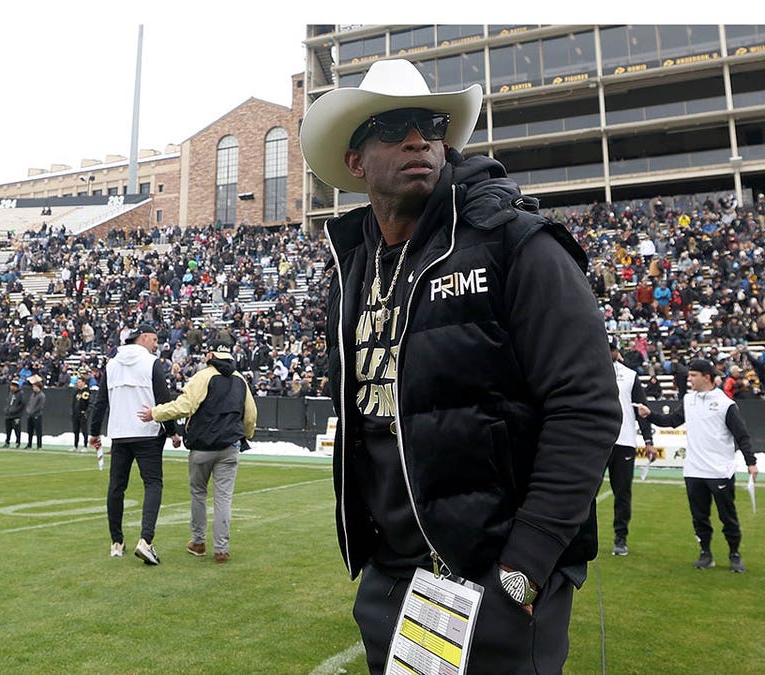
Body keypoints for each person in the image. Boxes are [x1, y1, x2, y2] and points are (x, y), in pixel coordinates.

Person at [298, 58, 620, 672]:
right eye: (394, 126)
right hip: (394, 576)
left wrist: (524, 568)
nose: (419, 138)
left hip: (498, 578)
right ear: (356, 159)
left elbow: (587, 406)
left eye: (431, 123)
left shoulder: (516, 242)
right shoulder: (353, 266)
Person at [137, 338, 257, 564]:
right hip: (229, 447)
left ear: (210, 356)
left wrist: (155, 413)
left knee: (198, 494)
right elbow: (250, 415)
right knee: (223, 499)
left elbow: (184, 407)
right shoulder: (240, 380)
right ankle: (221, 549)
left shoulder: (203, 377)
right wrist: (245, 435)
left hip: (202, 447)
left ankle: (198, 542)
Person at [636, 359, 758, 573]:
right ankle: (705, 553)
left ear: (707, 377)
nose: (689, 379)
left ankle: (734, 554)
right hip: (693, 469)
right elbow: (672, 421)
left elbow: (742, 435)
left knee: (727, 516)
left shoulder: (725, 403)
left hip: (720, 470)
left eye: (693, 375)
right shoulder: (689, 400)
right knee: (699, 517)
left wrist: (751, 463)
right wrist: (651, 415)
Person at [89, 323, 181, 566]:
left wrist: (93, 432)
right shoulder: (151, 364)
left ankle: (116, 542)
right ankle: (146, 540)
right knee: (153, 484)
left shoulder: (112, 364)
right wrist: (172, 432)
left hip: (120, 433)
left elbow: (100, 403)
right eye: (154, 339)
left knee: (116, 487)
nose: (156, 344)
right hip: (148, 434)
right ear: (145, 337)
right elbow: (163, 402)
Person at [609, 341, 657, 556]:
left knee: (622, 492)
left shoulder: (629, 375)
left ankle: (621, 537)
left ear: (616, 351)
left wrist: (648, 440)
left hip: (624, 441)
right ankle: (582, 536)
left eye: (611, 348)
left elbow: (641, 409)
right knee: (585, 492)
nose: (608, 351)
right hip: (594, 441)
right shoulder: (586, 370)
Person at [70, 377, 92, 450]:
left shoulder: (87, 391)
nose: (77, 383)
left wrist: (86, 412)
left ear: (83, 382)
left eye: (79, 382)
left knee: (84, 430)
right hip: (76, 414)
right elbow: (74, 402)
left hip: (82, 414)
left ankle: (85, 446)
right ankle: (75, 446)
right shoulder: (77, 391)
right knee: (76, 430)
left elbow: (89, 403)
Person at [1, 381, 24, 448]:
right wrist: (6, 409)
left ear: (16, 387)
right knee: (8, 430)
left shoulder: (20, 394)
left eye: (12, 386)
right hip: (9, 415)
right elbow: (8, 403)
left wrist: (15, 410)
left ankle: (18, 442)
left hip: (16, 415)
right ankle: (7, 442)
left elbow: (22, 405)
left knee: (17, 430)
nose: (11, 387)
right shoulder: (10, 393)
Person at [24, 380, 45, 449]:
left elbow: (40, 406)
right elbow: (29, 403)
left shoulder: (41, 395)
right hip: (30, 415)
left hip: (37, 415)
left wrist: (33, 411)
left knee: (38, 431)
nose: (33, 388)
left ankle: (39, 445)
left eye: (34, 386)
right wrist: (28, 410)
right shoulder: (33, 395)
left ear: (38, 387)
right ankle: (29, 444)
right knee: (30, 431)